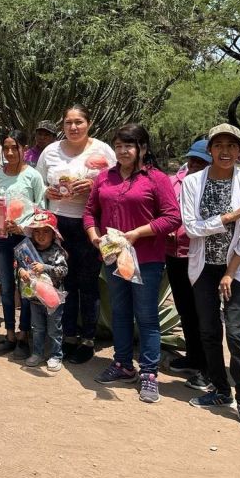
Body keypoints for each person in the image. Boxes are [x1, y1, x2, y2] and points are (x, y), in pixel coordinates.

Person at [85, 124, 181, 403]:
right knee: (120, 312)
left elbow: (172, 217)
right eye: (118, 146)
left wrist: (139, 233)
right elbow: (90, 212)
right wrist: (94, 236)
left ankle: (149, 372)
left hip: (146, 259)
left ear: (143, 148)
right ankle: (123, 364)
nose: (123, 151)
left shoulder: (156, 179)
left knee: (147, 316)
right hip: (113, 257)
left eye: (129, 145)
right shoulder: (105, 177)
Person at [180, 123, 240, 433]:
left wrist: (230, 272)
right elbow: (192, 228)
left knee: (237, 332)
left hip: (236, 269)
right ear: (210, 150)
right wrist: (230, 216)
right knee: (209, 331)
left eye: (231, 145)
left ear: (239, 150)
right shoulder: (192, 183)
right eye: (219, 145)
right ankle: (219, 389)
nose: (225, 151)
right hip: (204, 267)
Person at [36, 105, 116, 364]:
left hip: (89, 224)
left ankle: (88, 339)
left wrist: (94, 185)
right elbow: (39, 183)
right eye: (68, 122)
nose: (73, 127)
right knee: (64, 281)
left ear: (89, 123)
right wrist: (47, 192)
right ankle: (68, 335)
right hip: (58, 223)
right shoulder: (50, 151)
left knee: (88, 283)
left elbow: (117, 181)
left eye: (79, 122)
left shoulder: (102, 150)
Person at [0, 130, 46, 357]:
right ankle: (10, 333)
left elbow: (41, 210)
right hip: (2, 239)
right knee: (6, 286)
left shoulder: (33, 176)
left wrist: (24, 228)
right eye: (6, 148)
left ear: (24, 148)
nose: (10, 152)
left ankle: (24, 335)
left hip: (26, 239)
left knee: (27, 286)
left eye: (15, 147)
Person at [165, 140, 212, 391]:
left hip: (201, 255)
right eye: (192, 159)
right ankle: (193, 357)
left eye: (201, 161)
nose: (194, 164)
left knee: (204, 311)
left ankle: (208, 366)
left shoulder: (213, 184)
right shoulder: (174, 181)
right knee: (185, 309)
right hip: (174, 255)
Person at [18, 210, 68, 373]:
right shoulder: (28, 250)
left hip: (54, 299)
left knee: (54, 329)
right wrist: (21, 272)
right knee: (37, 328)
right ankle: (37, 353)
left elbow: (63, 270)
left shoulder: (57, 251)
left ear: (53, 234)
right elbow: (21, 266)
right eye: (37, 231)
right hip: (35, 298)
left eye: (45, 231)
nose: (41, 235)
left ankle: (56, 355)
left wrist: (45, 267)